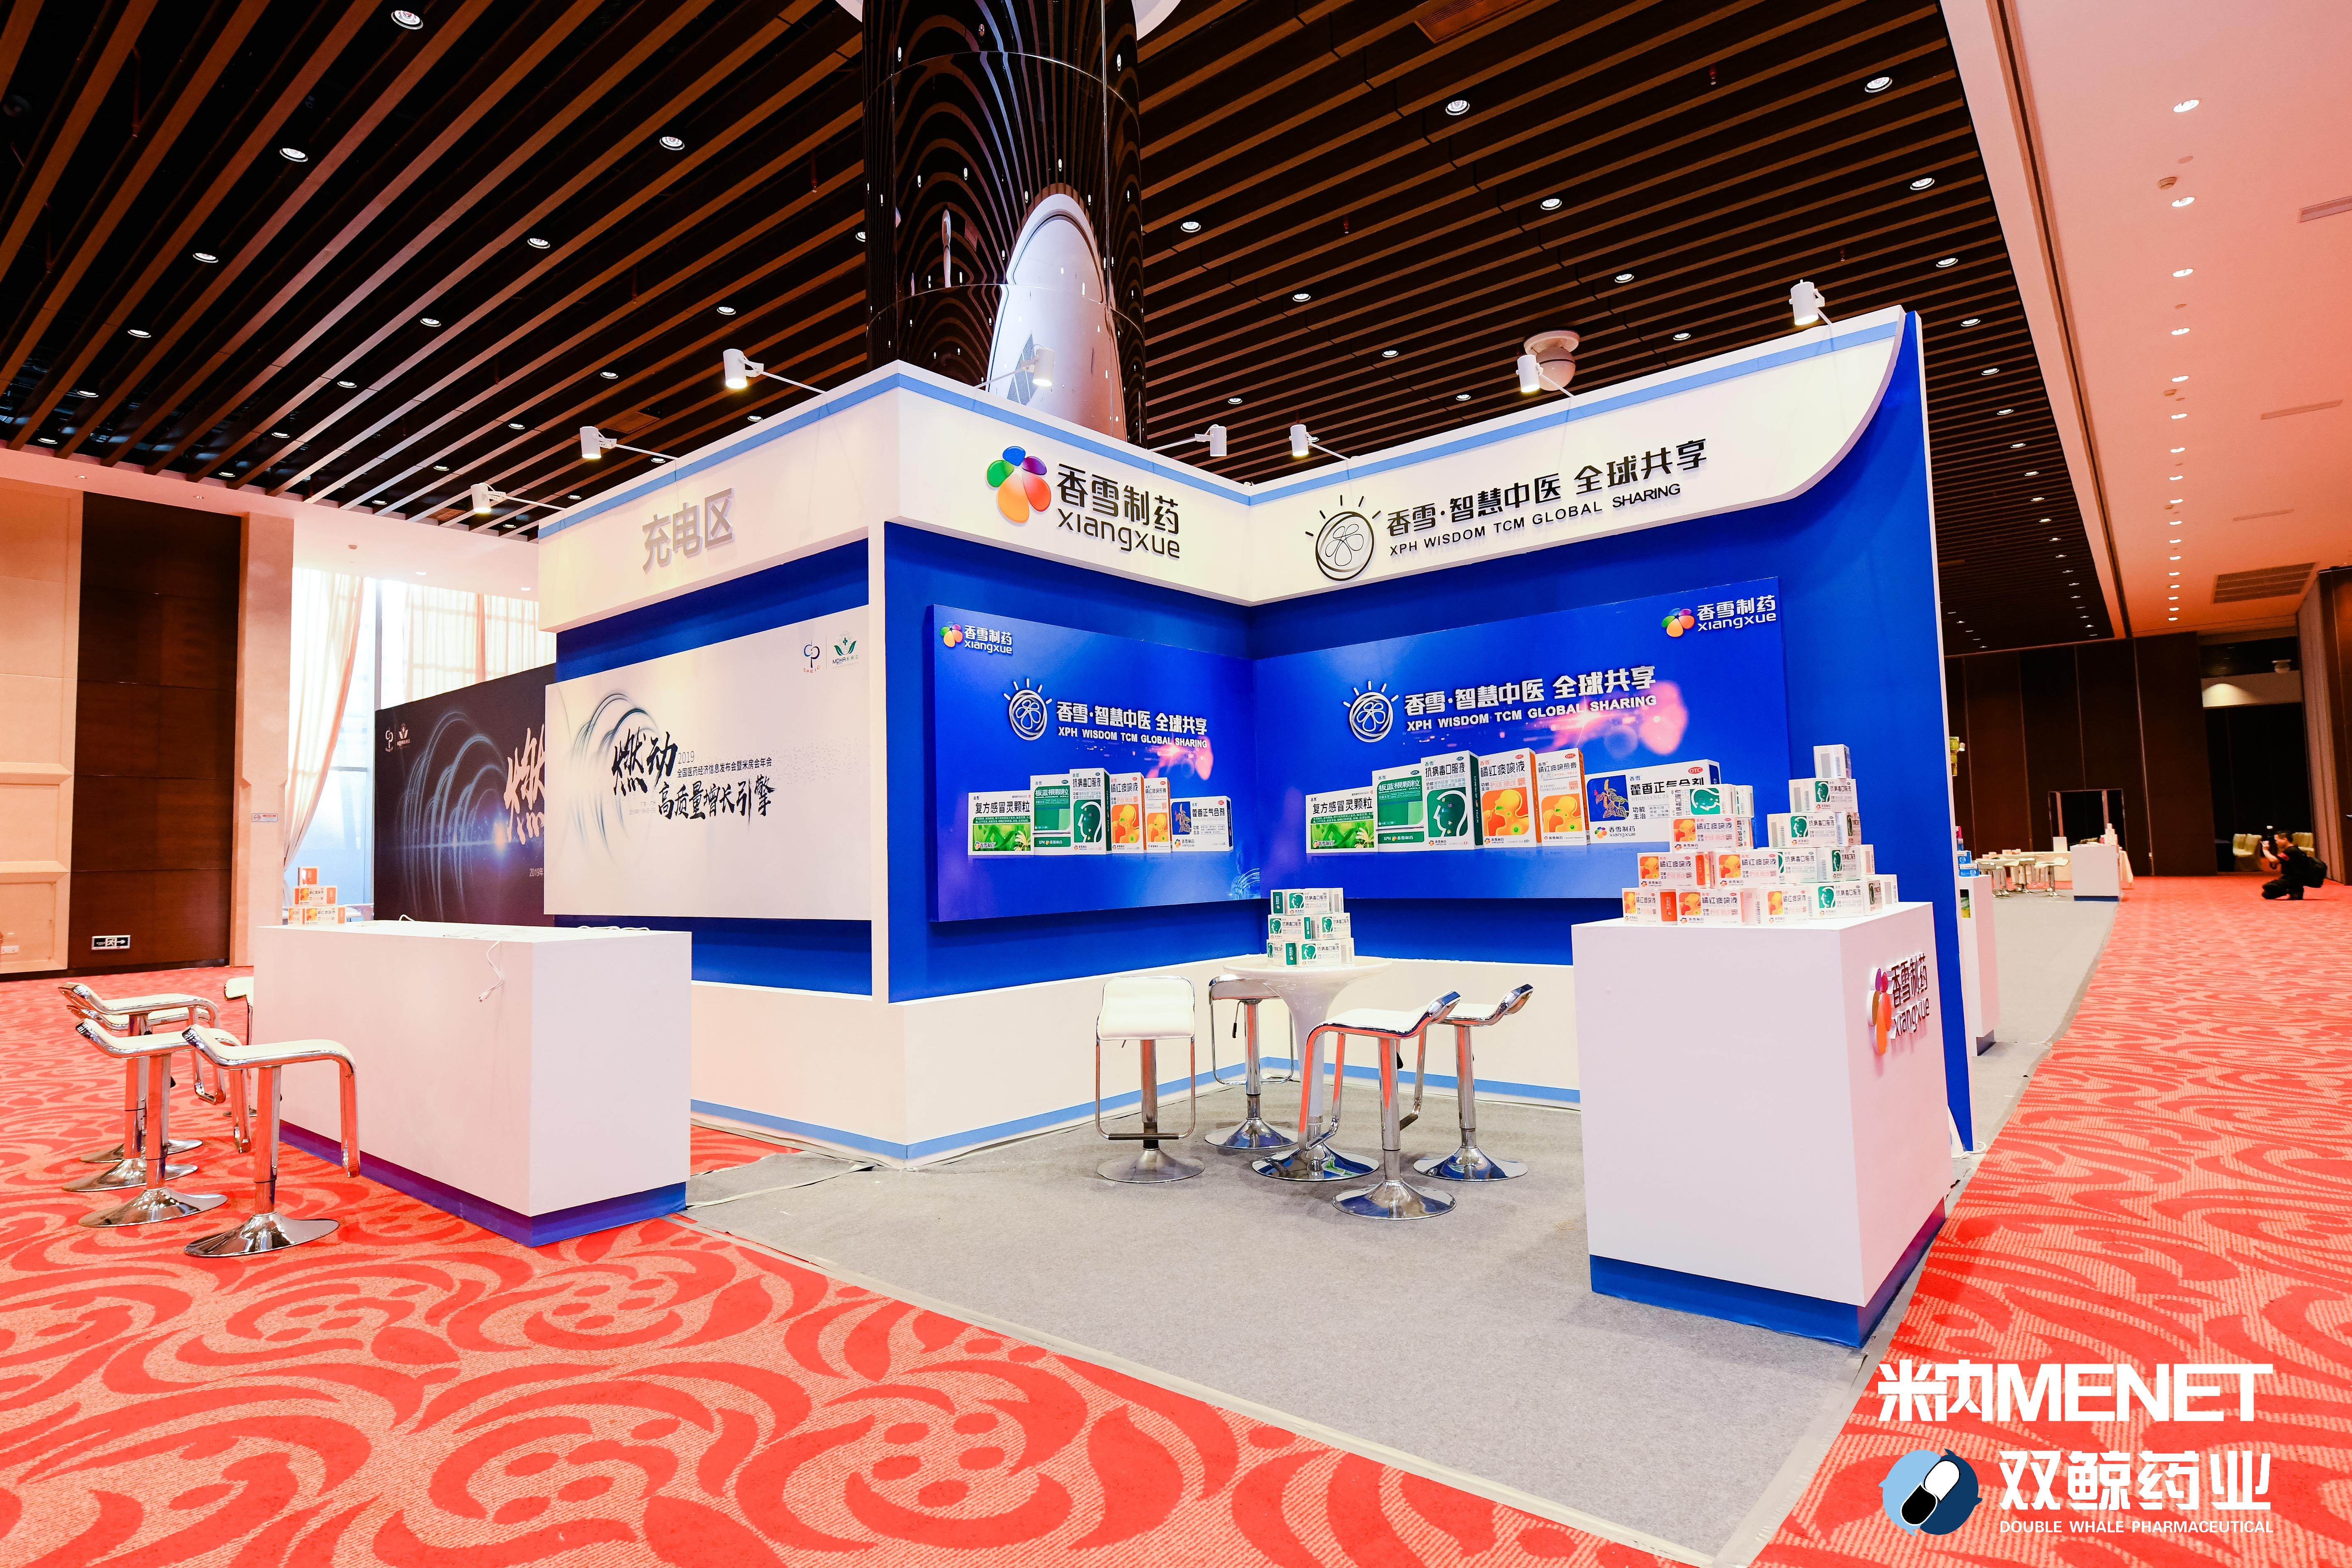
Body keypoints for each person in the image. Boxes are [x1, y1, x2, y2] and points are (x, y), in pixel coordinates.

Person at [2260, 832, 2325, 901]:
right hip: (2296, 879)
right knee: (2267, 894)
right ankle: (2295, 890)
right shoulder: (2294, 850)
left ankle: (2291, 888)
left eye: (2277, 840)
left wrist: (2265, 850)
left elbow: (2273, 860)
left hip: (2292, 879)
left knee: (2267, 886)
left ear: (2285, 839)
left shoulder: (2291, 851)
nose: (2276, 842)